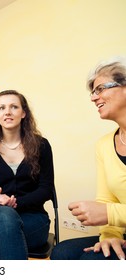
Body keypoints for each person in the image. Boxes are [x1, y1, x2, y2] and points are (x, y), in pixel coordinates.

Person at [50, 56, 126, 260]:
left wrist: (111, 214)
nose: (93, 98)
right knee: (61, 252)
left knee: (90, 261)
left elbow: (107, 209)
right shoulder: (104, 145)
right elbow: (106, 200)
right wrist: (110, 235)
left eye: (100, 89)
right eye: (93, 92)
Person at [0, 90, 55, 260]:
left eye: (14, 107)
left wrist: (15, 203)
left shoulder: (41, 145)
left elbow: (46, 189)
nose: (8, 112)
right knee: (5, 215)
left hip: (34, 218)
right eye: (2, 108)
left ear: (23, 113)